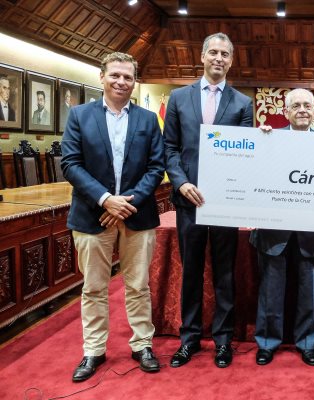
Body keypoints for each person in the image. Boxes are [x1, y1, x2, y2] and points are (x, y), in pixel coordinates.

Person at [61, 52, 165, 382]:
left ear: (135, 82)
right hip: (92, 214)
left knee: (138, 285)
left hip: (137, 214)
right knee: (94, 287)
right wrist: (106, 201)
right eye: (115, 75)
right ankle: (93, 350)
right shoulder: (79, 115)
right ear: (102, 77)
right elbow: (70, 164)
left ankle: (142, 344)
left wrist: (125, 203)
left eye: (128, 77)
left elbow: (156, 167)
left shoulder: (148, 120)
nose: (121, 82)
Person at [164, 32, 253, 369]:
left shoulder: (243, 103)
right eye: (213, 52)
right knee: (191, 272)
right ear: (202, 56)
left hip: (224, 202)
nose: (219, 58)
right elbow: (169, 147)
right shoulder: (178, 97)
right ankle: (188, 339)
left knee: (224, 274)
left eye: (225, 54)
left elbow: (247, 153)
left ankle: (223, 340)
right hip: (189, 200)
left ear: (231, 61)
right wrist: (182, 182)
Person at [251, 88, 314, 367]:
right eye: (296, 105)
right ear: (286, 112)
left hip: (311, 230)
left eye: (307, 105)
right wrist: (260, 143)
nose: (302, 110)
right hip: (273, 231)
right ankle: (267, 343)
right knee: (270, 291)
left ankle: (308, 343)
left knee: (310, 292)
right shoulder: (267, 139)